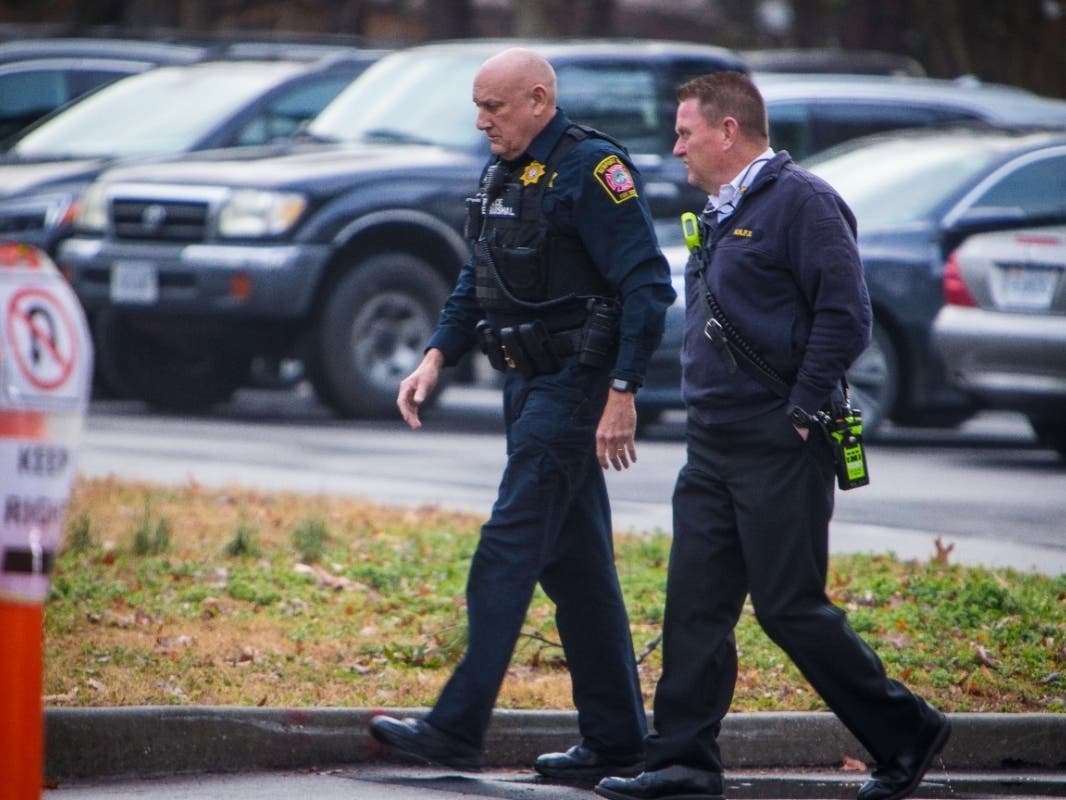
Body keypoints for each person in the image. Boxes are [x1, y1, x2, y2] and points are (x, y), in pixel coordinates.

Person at [595, 72, 951, 800]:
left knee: (789, 607)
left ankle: (905, 731)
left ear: (729, 132)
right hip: (712, 442)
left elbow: (847, 316)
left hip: (780, 441)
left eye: (686, 132)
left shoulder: (804, 203)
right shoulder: (722, 209)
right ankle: (682, 761)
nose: (675, 147)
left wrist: (801, 407)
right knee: (694, 603)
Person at [369, 47, 676, 781]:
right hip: (524, 384)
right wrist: (435, 357)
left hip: (574, 385)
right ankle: (617, 741)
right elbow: (479, 276)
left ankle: (455, 726)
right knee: (578, 573)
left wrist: (623, 390)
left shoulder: (594, 171)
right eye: (477, 108)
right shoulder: (503, 172)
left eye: (494, 108)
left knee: (506, 548)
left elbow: (648, 286)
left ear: (538, 99)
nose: (482, 122)